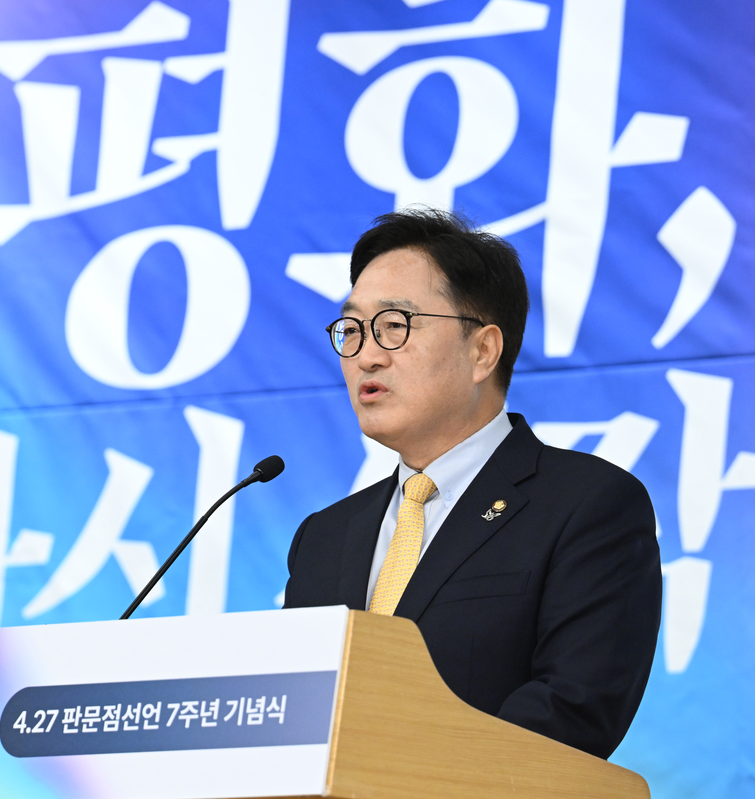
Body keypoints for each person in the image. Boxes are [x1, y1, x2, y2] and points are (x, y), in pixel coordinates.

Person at [283, 207, 661, 759]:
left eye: (393, 326)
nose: (365, 355)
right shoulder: (323, 537)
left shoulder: (588, 505)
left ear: (483, 350)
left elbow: (573, 709)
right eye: (353, 329)